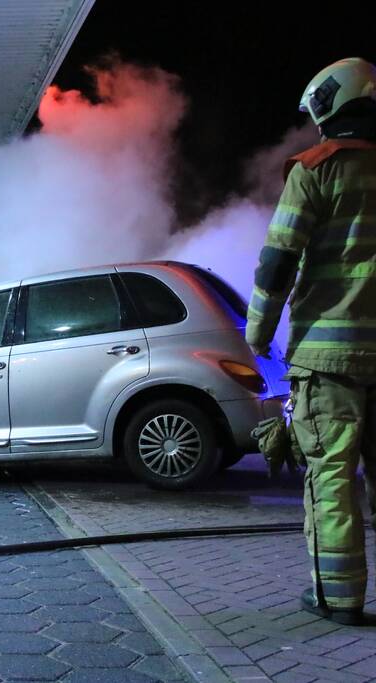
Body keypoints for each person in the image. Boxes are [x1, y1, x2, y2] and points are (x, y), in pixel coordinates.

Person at [246, 57, 376, 626]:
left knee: (332, 481)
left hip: (330, 362)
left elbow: (277, 264)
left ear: (330, 105)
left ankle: (338, 598)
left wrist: (258, 331)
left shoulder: (316, 170)